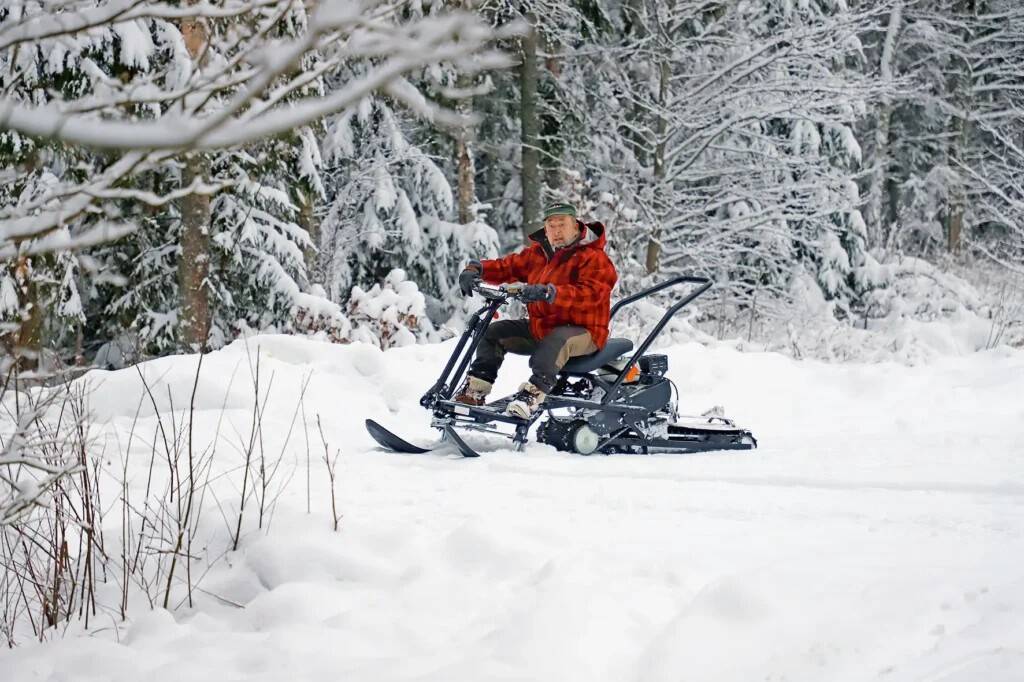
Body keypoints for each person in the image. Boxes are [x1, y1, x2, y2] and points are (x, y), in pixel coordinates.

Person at [454, 202, 618, 418]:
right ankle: (474, 391)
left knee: (556, 340)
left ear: (576, 226)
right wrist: (478, 268)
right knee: (492, 333)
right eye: (551, 225)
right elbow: (508, 267)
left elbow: (592, 294)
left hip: (584, 332)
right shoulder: (539, 254)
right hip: (541, 327)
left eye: (562, 225)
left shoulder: (594, 258)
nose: (557, 231)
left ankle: (532, 396)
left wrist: (551, 293)